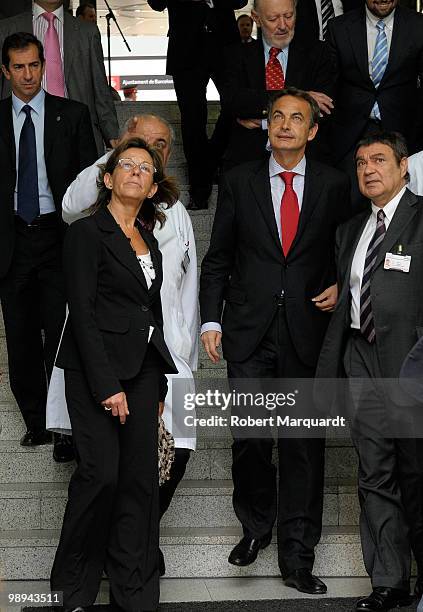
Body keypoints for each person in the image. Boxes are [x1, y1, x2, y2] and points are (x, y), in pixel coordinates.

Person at [200, 88, 350, 594]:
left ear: (313, 130)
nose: (285, 125)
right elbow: (218, 255)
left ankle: (298, 557)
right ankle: (255, 527)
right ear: (267, 125)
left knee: (304, 446)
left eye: (297, 119)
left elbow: (351, 245)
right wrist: (210, 321)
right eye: (277, 116)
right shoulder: (239, 180)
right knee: (251, 440)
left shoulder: (334, 183)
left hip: (309, 332)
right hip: (249, 331)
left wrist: (343, 283)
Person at [46, 112, 199, 578]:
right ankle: (110, 560)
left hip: (161, 359)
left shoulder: (175, 218)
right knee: (105, 474)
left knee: (163, 467)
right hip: (104, 362)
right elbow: (72, 203)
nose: (145, 158)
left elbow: (186, 290)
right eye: (135, 148)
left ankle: (132, 551)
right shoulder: (91, 215)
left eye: (156, 150)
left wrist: (182, 360)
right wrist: (118, 160)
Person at [316, 131, 423, 611]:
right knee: (374, 473)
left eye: (379, 160)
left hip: (411, 362)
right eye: (360, 162)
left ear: (404, 167)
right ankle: (389, 581)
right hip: (362, 356)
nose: (368, 169)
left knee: (417, 472)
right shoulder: (350, 231)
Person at [0, 32, 97, 462]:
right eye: (18, 67)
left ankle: (65, 427)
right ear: (5, 72)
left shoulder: (72, 116)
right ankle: (37, 423)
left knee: (61, 334)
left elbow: (90, 187)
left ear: (44, 66)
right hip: (11, 241)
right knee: (20, 337)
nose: (27, 74)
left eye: (34, 65)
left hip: (59, 237)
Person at [147, 0, 248, 210]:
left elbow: (240, 2)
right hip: (185, 45)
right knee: (193, 120)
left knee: (236, 106)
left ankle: (210, 162)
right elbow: (156, 3)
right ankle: (199, 189)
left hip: (225, 43)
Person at [326, 0, 423, 207]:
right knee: (349, 207)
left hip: (404, 134)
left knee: (400, 208)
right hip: (350, 137)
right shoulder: (339, 27)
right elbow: (329, 85)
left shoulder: (418, 26)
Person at [220, 0, 336, 168]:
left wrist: (264, 122)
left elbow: (323, 108)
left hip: (307, 159)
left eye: (288, 16)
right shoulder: (235, 55)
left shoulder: (319, 53)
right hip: (247, 159)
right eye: (273, 18)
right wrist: (302, 96)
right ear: (256, 18)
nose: (283, 25)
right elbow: (234, 102)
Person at [0, 0, 119, 154]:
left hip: (76, 132)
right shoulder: (6, 29)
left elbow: (100, 88)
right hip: (22, 129)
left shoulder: (87, 32)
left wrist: (113, 135)